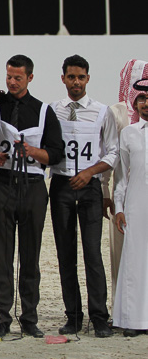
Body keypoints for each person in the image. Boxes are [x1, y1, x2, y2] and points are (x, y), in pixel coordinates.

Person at [0, 55, 63, 340]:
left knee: (30, 256)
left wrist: (33, 152)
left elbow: (55, 153)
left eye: (18, 78)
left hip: (32, 186)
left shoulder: (43, 111)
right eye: (9, 77)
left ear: (30, 78)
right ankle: (2, 319)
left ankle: (29, 318)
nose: (12, 82)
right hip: (1, 183)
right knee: (2, 257)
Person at [49, 55, 117, 338]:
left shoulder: (102, 111)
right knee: (65, 254)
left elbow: (112, 152)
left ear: (87, 78)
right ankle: (73, 316)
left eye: (80, 77)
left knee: (92, 253)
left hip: (89, 187)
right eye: (71, 77)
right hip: (61, 185)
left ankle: (99, 317)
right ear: (63, 78)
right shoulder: (53, 110)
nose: (75, 82)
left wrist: (90, 173)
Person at [103, 59, 148, 307]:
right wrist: (104, 192)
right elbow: (109, 154)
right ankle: (121, 308)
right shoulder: (116, 112)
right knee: (121, 254)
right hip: (123, 196)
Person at [113, 81, 148, 337]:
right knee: (135, 262)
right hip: (136, 205)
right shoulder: (128, 133)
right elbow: (121, 176)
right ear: (135, 103)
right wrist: (119, 207)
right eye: (142, 98)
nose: (146, 103)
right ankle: (133, 321)